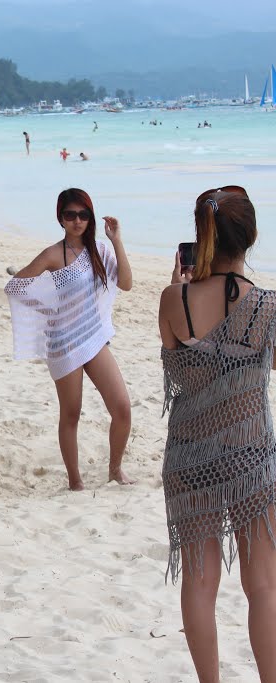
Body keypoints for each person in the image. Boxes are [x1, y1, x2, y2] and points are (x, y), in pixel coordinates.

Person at [157, 186, 276, 682]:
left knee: (200, 583)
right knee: (265, 585)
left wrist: (184, 288)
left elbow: (181, 372)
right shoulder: (268, 306)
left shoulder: (173, 298)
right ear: (250, 236)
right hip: (249, 454)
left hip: (188, 457)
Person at [4, 188, 134, 491]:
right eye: (70, 215)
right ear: (60, 218)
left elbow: (126, 283)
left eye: (83, 214)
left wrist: (117, 240)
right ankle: (75, 482)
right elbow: (16, 287)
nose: (77, 221)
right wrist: (48, 310)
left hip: (93, 336)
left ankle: (115, 470)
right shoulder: (52, 254)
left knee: (122, 407)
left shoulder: (100, 250)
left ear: (90, 216)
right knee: (71, 413)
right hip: (63, 341)